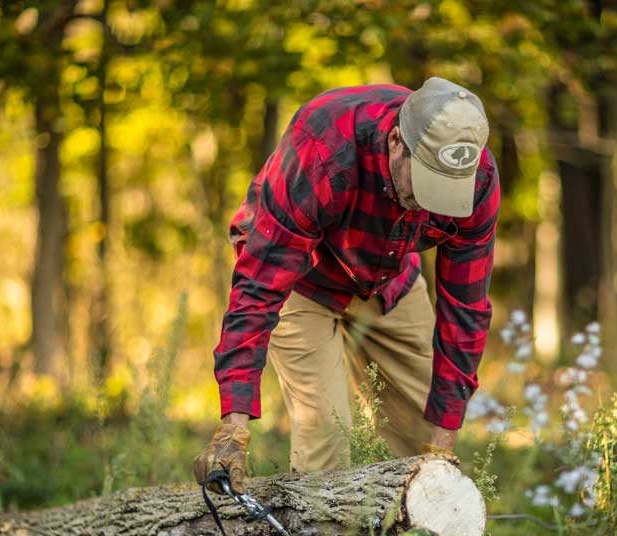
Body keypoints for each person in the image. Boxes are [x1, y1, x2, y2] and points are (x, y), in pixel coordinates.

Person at [194, 77, 501, 494]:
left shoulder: (477, 178)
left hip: (388, 277)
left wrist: (444, 439)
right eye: (427, 183)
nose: (433, 203)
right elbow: (259, 287)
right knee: (325, 446)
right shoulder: (322, 149)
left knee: (426, 453)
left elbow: (464, 311)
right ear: (396, 141)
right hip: (302, 278)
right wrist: (234, 423)